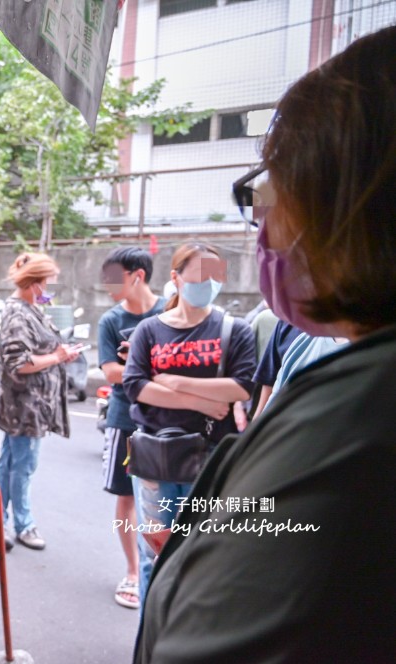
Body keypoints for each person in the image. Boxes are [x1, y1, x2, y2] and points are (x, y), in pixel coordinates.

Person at [135, 26, 396, 662]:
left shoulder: (349, 421)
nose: (264, 227)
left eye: (269, 195)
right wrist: (211, 547)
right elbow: (142, 384)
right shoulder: (344, 376)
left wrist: (215, 552)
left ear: (347, 206)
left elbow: (240, 393)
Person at [122, 242, 256, 606]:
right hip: (155, 459)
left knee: (199, 560)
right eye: (199, 274)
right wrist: (201, 400)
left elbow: (241, 386)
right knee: (155, 555)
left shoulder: (235, 330)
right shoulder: (149, 330)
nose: (207, 282)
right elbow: (136, 386)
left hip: (211, 457)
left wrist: (176, 382)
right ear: (176, 278)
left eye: (215, 275)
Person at [0, 252, 83, 551]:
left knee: (11, 462)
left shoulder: (30, 309)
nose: (48, 289)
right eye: (46, 283)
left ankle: (0, 520)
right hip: (25, 406)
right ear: (35, 284)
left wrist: (60, 354)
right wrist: (57, 356)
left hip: (30, 404)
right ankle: (23, 524)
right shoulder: (18, 313)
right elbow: (17, 362)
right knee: (22, 466)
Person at [97, 247, 166, 610]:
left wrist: (139, 374)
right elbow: (110, 373)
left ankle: (164, 566)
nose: (106, 284)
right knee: (128, 499)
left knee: (173, 495)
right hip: (125, 420)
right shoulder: (110, 320)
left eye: (113, 276)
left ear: (137, 276)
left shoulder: (170, 312)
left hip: (171, 421)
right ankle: (133, 571)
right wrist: (160, 375)